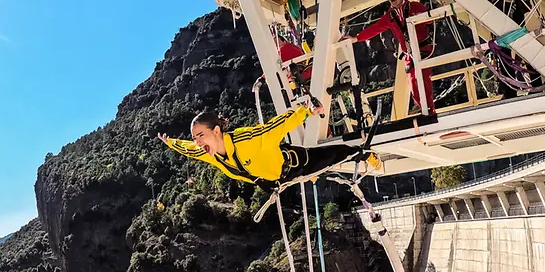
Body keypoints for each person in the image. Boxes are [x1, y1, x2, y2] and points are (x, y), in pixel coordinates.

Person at [158, 104, 381, 187]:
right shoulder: (209, 153)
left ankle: (364, 154)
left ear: (216, 131)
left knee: (334, 155)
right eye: (195, 137)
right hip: (276, 182)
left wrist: (305, 112)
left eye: (201, 135)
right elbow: (188, 149)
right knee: (322, 172)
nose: (198, 142)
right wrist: (170, 142)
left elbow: (275, 127)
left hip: (291, 164)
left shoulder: (247, 140)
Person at [341, 0, 436, 116]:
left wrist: (421, 17)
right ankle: (425, 110)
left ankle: (430, 111)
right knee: (413, 83)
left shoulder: (414, 6)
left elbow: (429, 19)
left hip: (423, 49)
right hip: (410, 54)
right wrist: (355, 39)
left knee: (424, 79)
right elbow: (375, 29)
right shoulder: (390, 16)